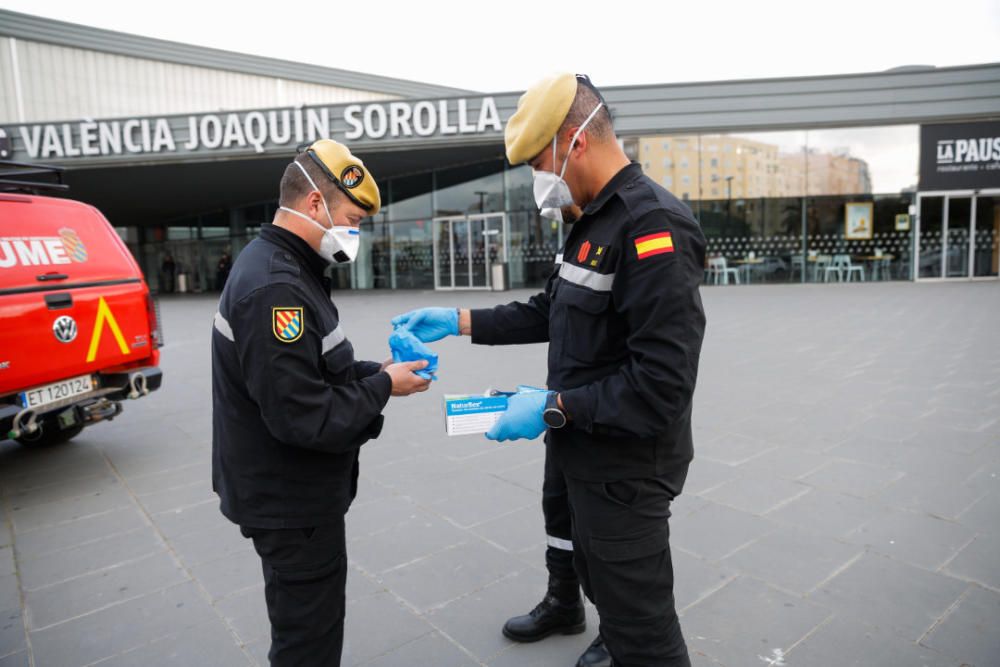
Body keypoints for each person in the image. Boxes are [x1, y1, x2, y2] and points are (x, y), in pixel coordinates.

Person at [392, 73, 706, 667]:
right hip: (578, 437)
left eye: (539, 161)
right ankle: (571, 605)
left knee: (642, 629)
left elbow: (661, 385)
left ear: (575, 141)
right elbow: (550, 311)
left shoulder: (652, 226)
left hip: (627, 463)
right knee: (579, 550)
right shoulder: (588, 219)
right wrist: (457, 319)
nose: (537, 178)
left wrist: (553, 406)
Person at [211, 139, 431, 666]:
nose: (353, 234)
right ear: (314, 204)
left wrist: (374, 371)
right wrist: (384, 388)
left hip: (289, 496)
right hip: (292, 504)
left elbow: (313, 372)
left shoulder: (286, 267)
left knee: (308, 622)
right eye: (351, 219)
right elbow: (302, 416)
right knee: (308, 640)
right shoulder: (275, 290)